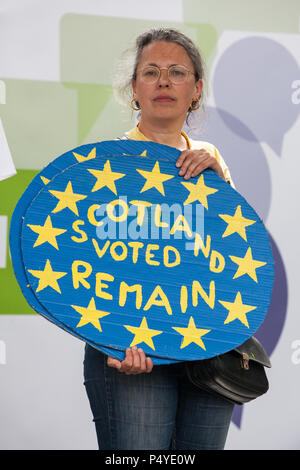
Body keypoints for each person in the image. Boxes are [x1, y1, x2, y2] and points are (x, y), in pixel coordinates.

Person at [83, 27, 234, 450]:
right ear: (134, 89)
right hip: (131, 352)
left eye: (176, 72)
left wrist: (220, 185)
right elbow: (85, 265)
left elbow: (235, 260)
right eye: (151, 72)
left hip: (209, 349)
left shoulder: (213, 165)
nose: (164, 81)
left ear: (196, 89)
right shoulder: (103, 165)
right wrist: (113, 335)